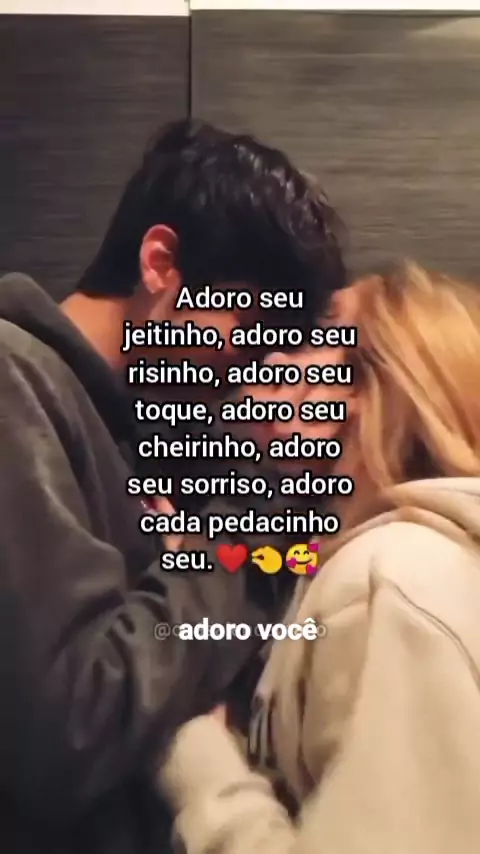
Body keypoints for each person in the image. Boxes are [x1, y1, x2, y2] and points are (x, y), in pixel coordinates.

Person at [0, 118, 346, 854]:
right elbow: (75, 727)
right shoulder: (15, 382)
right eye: (253, 323)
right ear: (161, 264)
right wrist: (235, 541)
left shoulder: (145, 426)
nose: (258, 365)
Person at [157, 262, 480, 854]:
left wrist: (198, 758)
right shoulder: (415, 560)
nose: (274, 357)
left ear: (373, 390)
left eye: (315, 336)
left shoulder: (390, 578)